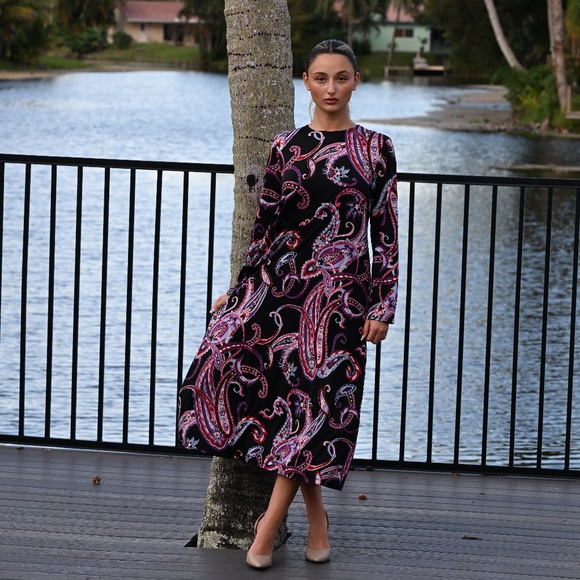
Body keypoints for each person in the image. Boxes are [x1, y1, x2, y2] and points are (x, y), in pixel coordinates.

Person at [177, 39, 398, 569]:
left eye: (341, 78)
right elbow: (266, 226)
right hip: (281, 291)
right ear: (306, 82)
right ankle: (317, 524)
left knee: (317, 408)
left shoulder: (376, 148)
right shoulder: (286, 146)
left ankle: (267, 528)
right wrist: (240, 287)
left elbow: (386, 234)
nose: (331, 88)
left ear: (356, 81)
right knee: (289, 404)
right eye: (321, 78)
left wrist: (382, 305)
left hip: (342, 301)